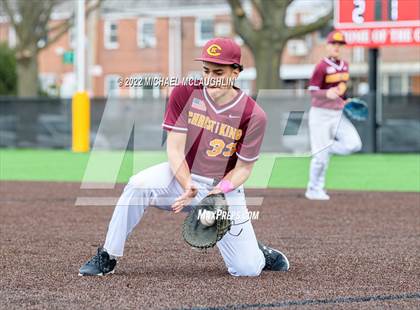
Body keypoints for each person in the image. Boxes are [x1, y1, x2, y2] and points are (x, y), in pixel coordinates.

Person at [79, 37, 289, 277]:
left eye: (219, 72)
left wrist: (218, 192)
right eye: (206, 70)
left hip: (222, 189)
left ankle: (258, 253)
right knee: (138, 184)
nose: (211, 78)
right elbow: (175, 149)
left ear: (236, 72)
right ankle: (108, 255)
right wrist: (187, 184)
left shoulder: (254, 114)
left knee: (247, 270)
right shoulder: (186, 93)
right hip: (182, 176)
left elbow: (243, 169)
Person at [305, 30, 362, 200]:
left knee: (354, 144)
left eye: (340, 45)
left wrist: (345, 100)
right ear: (327, 46)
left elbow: (340, 91)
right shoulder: (321, 66)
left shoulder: (345, 65)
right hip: (320, 114)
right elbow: (312, 91)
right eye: (334, 44)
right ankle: (313, 189)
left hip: (337, 114)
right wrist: (325, 94)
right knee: (320, 160)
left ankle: (325, 148)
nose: (337, 47)